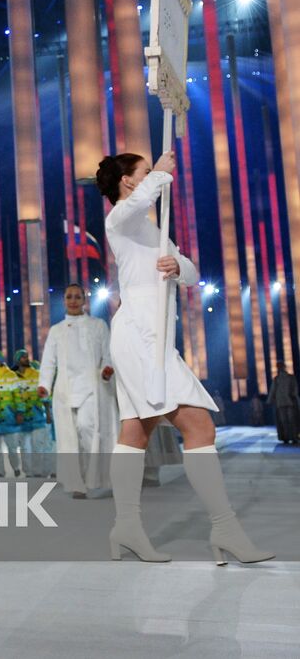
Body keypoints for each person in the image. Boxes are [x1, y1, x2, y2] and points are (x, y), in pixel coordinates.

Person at [96, 151, 272, 563]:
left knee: (135, 434)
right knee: (199, 426)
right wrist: (159, 174)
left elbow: (192, 275)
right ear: (128, 181)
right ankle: (225, 529)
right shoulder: (120, 218)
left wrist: (178, 265)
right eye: (142, 174)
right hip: (139, 333)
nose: (153, 179)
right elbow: (141, 200)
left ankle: (127, 528)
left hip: (156, 335)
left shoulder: (152, 228)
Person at [38, 284, 118, 496]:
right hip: (65, 390)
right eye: (69, 297)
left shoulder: (98, 325)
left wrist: (106, 371)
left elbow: (108, 354)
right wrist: (44, 384)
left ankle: (95, 476)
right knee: (69, 438)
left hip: (92, 387)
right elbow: (48, 361)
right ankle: (77, 484)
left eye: (77, 296)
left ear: (84, 300)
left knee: (86, 427)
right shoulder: (56, 330)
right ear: (64, 300)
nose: (73, 300)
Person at [13, 351, 51, 476]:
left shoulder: (37, 375)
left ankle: (38, 471)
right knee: (24, 447)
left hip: (37, 415)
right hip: (21, 417)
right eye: (23, 357)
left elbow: (44, 395)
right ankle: (28, 471)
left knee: (37, 445)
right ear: (17, 360)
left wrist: (48, 413)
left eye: (26, 356)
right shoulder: (13, 377)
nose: (26, 358)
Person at [268, 365, 299, 444]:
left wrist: (270, 400)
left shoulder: (288, 378)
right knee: (286, 421)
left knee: (289, 420)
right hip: (284, 402)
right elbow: (273, 390)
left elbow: (295, 389)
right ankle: (289, 437)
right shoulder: (277, 379)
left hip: (287, 402)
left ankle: (291, 437)